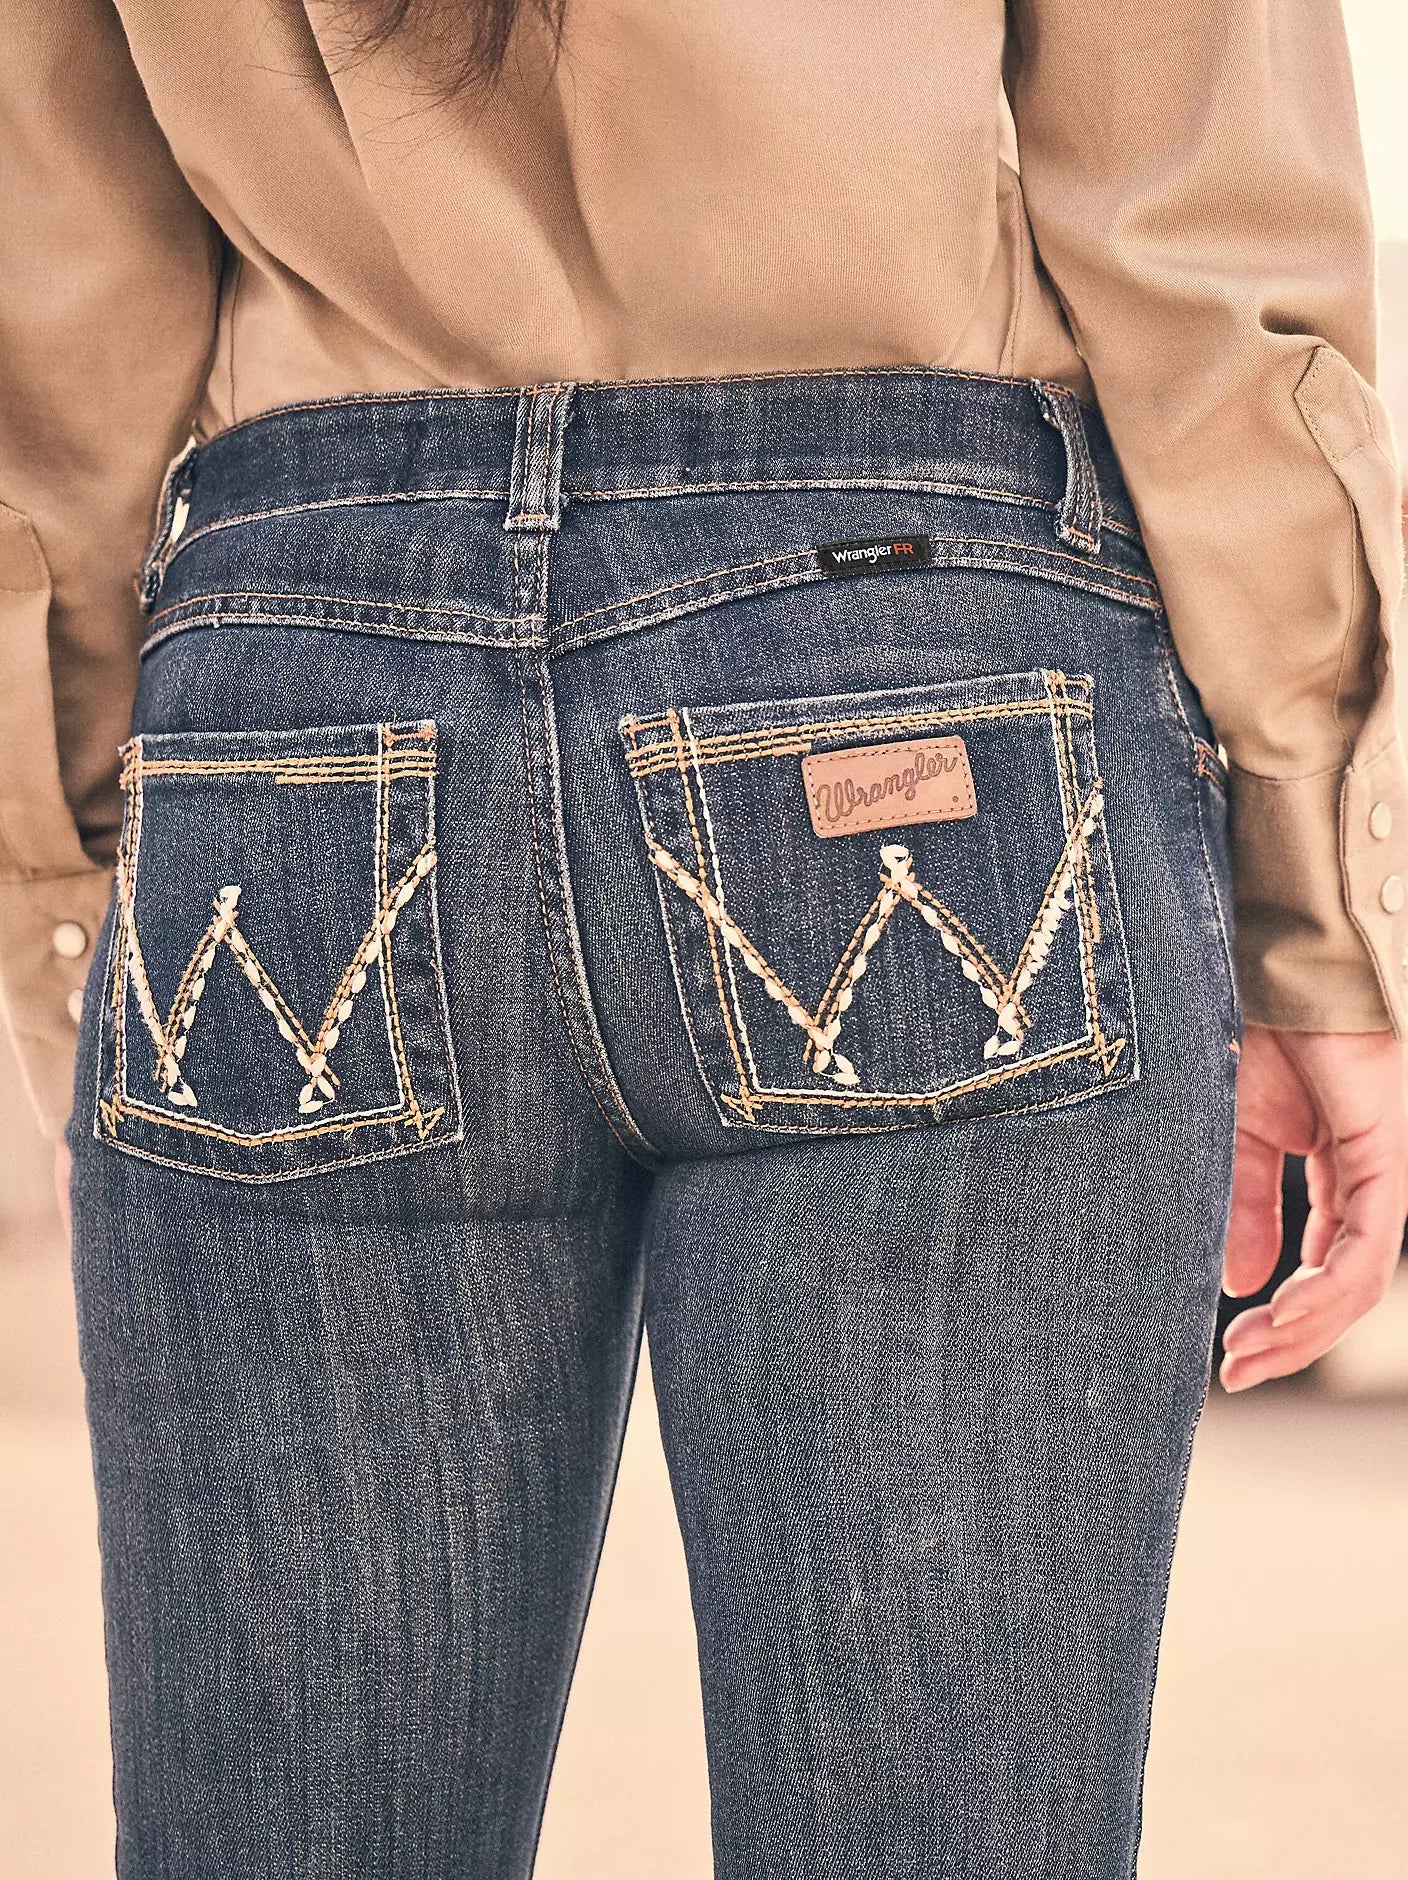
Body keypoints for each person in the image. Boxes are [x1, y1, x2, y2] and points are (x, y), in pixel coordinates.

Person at [2, 1, 1404, 1874]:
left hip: (303, 713)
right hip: (922, 675)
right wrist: (1325, 907)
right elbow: (1204, 252)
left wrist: (68, 924)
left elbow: (46, 346)